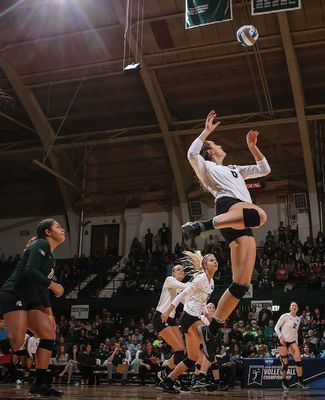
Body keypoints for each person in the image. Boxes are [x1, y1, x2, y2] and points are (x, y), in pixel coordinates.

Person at [181, 110, 271, 360]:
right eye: (216, 144)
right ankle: (201, 226)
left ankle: (214, 327)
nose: (220, 146)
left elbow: (264, 169)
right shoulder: (207, 167)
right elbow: (191, 154)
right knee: (261, 216)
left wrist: (253, 147)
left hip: (240, 218)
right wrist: (207, 132)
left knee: (241, 283)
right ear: (210, 150)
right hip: (229, 207)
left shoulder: (234, 169)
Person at [0, 218, 65, 396]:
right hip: (14, 293)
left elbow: (42, 287)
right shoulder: (41, 244)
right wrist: (54, 285)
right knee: (17, 341)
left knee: (49, 334)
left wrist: (50, 314)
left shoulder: (51, 258)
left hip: (31, 300)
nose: (62, 229)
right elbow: (29, 270)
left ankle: (40, 384)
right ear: (47, 232)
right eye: (58, 227)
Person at [158, 251, 218, 394]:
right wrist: (167, 311)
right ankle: (202, 378)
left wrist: (205, 313)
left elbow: (202, 301)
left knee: (192, 358)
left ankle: (167, 381)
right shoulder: (200, 279)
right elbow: (182, 295)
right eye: (211, 260)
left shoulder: (211, 283)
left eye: (215, 259)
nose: (215, 261)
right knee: (208, 335)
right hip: (189, 317)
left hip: (195, 317)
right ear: (204, 265)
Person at [152, 265, 188, 382]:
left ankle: (167, 374)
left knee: (182, 351)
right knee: (178, 349)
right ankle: (166, 376)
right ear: (172, 273)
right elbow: (186, 287)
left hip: (171, 319)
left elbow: (186, 301)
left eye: (182, 270)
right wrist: (197, 283)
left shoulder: (179, 288)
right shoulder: (169, 280)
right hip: (161, 317)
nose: (181, 271)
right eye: (178, 269)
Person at [274, 302, 305, 390]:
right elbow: (276, 327)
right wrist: (280, 337)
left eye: (296, 306)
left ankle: (300, 382)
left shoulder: (298, 319)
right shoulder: (285, 316)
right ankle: (284, 381)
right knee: (285, 363)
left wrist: (296, 344)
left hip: (292, 341)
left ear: (297, 309)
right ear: (290, 308)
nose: (294, 307)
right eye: (292, 305)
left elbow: (295, 333)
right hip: (282, 341)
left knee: (299, 361)